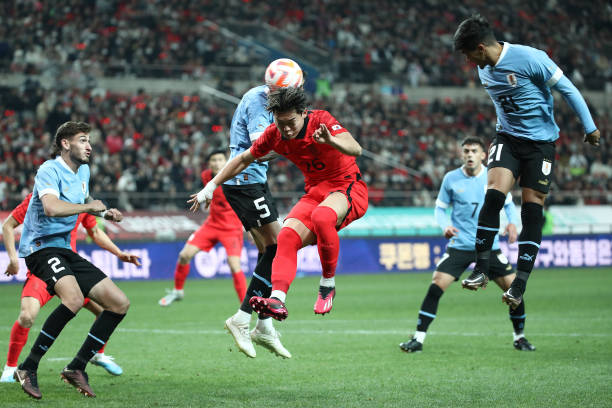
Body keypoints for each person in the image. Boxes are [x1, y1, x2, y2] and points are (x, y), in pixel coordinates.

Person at [454, 14, 600, 307]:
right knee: (493, 195)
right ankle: (482, 269)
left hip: (540, 145)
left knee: (532, 210)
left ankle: (519, 284)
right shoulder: (484, 70)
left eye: (470, 54)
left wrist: (590, 126)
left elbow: (568, 89)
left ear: (481, 48)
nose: (469, 61)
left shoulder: (531, 58)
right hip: (507, 139)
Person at [189, 86, 368, 323]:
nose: (287, 128)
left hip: (346, 186)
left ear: (303, 113)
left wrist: (331, 140)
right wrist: (211, 186)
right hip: (315, 191)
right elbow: (243, 159)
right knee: (285, 237)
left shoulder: (321, 120)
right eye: (280, 122)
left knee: (322, 216)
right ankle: (277, 298)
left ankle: (327, 284)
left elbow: (356, 149)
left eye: (291, 121)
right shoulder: (274, 134)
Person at [13, 121, 131, 400]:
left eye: (89, 140)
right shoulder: (48, 169)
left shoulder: (84, 171)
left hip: (64, 249)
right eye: (82, 140)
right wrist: (90, 207)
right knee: (74, 299)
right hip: (40, 248)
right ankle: (27, 367)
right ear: (65, 144)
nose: (89, 146)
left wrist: (104, 214)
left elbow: (84, 199)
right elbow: (52, 208)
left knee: (118, 303)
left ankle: (76, 367)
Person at [399, 137, 535, 353]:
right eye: (466, 151)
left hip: (489, 248)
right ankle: (418, 339)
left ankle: (520, 338)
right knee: (436, 285)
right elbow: (440, 209)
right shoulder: (451, 179)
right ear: (461, 154)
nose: (469, 155)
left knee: (514, 291)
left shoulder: (496, 175)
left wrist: (512, 223)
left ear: (483, 155)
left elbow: (509, 205)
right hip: (460, 245)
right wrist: (445, 225)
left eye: (474, 151)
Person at [216, 58, 304, 359]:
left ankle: (263, 324)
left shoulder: (268, 98)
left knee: (270, 251)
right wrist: (297, 142)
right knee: (280, 246)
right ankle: (242, 319)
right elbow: (258, 148)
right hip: (244, 180)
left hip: (252, 181)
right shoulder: (257, 99)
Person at [1, 193, 140, 382]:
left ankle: (95, 353)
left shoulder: (80, 200)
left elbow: (96, 232)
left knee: (106, 310)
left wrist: (119, 253)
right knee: (27, 315)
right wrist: (13, 258)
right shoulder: (40, 198)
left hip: (70, 268)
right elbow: (8, 225)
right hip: (44, 267)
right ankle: (10, 368)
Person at [158, 150, 247, 306]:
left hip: (232, 228)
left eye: (220, 160)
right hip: (212, 224)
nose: (217, 163)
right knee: (184, 255)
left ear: (226, 161)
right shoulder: (206, 175)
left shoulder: (236, 176)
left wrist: (251, 227)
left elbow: (245, 201)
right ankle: (178, 291)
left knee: (234, 265)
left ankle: (245, 307)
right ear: (209, 163)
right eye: (213, 160)